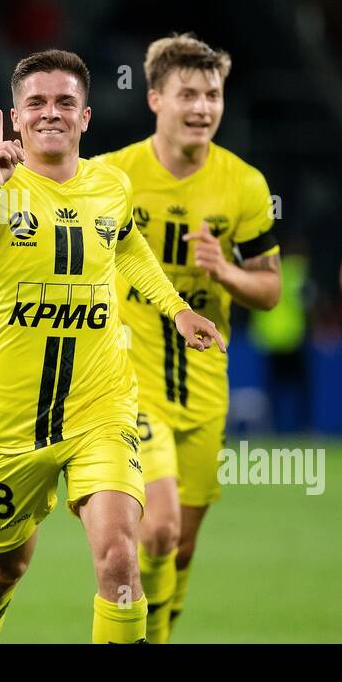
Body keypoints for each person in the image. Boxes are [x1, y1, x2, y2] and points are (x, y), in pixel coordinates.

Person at [0, 48, 224, 643]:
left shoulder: (111, 187)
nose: (50, 113)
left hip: (101, 405)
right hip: (12, 418)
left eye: (65, 102)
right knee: (4, 566)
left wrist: (178, 309)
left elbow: (130, 247)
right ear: (15, 117)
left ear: (85, 118)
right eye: (36, 102)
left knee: (119, 557)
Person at [95, 33, 281, 643]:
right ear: (154, 99)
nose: (202, 108)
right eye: (188, 94)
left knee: (181, 546)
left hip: (205, 383)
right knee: (159, 529)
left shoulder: (245, 186)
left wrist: (225, 271)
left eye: (213, 95)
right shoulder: (114, 176)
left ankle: (158, 633)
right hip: (131, 381)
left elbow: (271, 288)